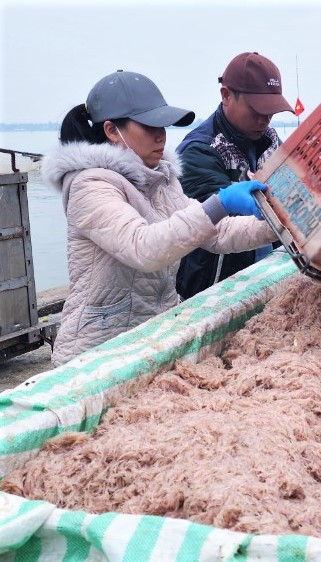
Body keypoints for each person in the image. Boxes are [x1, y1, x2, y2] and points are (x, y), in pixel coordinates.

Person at [41, 70, 277, 365]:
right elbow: (145, 248)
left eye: (164, 125)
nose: (161, 135)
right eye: (149, 125)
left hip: (151, 338)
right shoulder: (90, 186)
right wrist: (222, 202)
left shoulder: (161, 178)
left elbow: (217, 233)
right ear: (113, 130)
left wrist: (276, 221)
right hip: (97, 351)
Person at [175, 52, 294, 300]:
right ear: (226, 95)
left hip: (263, 274)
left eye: (271, 111)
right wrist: (290, 217)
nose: (265, 119)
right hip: (214, 290)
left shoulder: (269, 142)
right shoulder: (198, 152)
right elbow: (222, 229)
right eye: (256, 110)